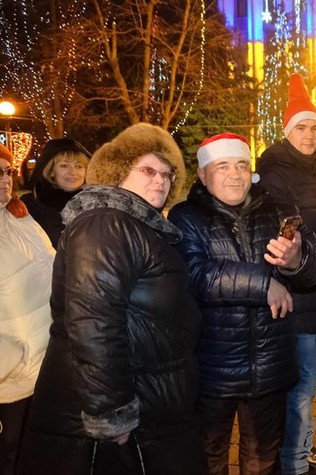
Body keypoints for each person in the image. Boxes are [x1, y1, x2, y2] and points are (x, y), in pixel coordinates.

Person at [20, 123, 206, 474]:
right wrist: (111, 411)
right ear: (118, 172)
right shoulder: (106, 223)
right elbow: (93, 321)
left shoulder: (135, 225)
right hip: (118, 417)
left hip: (150, 401)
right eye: (148, 170)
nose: (161, 180)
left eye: (167, 174)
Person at [168, 133, 316, 475]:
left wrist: (296, 260)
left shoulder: (281, 210)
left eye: (242, 165)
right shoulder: (186, 216)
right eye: (223, 166)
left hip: (270, 364)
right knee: (207, 456)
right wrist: (263, 284)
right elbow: (194, 274)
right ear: (203, 174)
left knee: (263, 458)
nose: (235, 174)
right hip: (212, 367)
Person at [256, 74, 316, 475]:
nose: (309, 135)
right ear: (287, 131)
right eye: (301, 128)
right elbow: (286, 232)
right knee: (302, 385)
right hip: (299, 289)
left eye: (314, 128)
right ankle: (294, 462)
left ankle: (303, 446)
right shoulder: (275, 173)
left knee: (310, 381)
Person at [0, 144, 54, 475]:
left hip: (40, 369)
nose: (5, 180)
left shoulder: (19, 216)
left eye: (7, 172)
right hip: (9, 380)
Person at [20, 138, 91, 247]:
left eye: (79, 166)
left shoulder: (96, 204)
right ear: (51, 171)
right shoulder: (30, 205)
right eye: (64, 166)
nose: (73, 172)